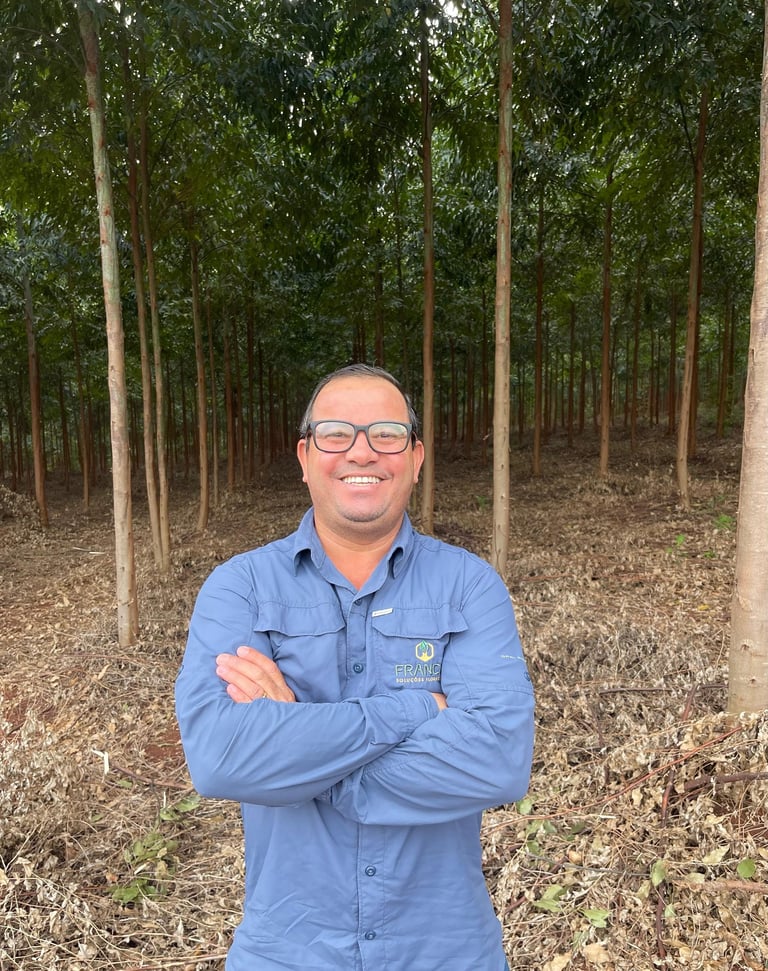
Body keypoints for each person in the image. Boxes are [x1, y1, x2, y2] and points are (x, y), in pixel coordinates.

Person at [175, 363, 535, 971]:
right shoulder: (241, 587)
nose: (361, 452)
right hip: (287, 950)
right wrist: (416, 709)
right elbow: (221, 757)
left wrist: (299, 744)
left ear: (416, 458)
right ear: (305, 455)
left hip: (446, 949)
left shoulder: (470, 586)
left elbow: (497, 760)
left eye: (387, 434)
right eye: (335, 433)